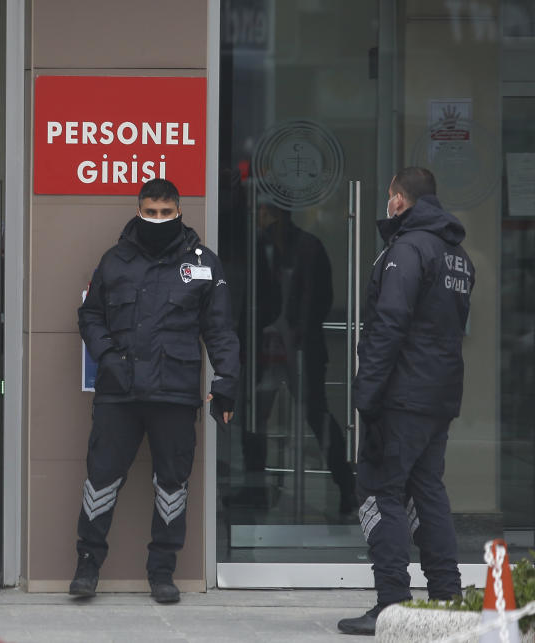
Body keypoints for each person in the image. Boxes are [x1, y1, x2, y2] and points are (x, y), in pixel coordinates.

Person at [70, 178, 240, 604]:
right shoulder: (114, 260)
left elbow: (220, 329)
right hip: (119, 393)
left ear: (179, 212)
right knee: (101, 479)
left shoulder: (204, 263)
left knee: (172, 484)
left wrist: (226, 383)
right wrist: (107, 355)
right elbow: (90, 316)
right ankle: (87, 568)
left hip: (175, 392)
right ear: (139, 209)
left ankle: (162, 572)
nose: (158, 219)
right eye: (151, 211)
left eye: (166, 212)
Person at [338, 167, 473, 635]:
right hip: (438, 395)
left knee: (379, 492)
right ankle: (448, 600)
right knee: (428, 491)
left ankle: (392, 604)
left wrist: (366, 395)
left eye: (391, 197)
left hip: (401, 395)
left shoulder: (407, 250)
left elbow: (389, 326)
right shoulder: (456, 254)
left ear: (399, 198)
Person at [239, 202, 355, 515]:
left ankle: (346, 486)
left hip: (297, 346)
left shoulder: (302, 247)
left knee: (313, 416)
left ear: (275, 214)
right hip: (270, 345)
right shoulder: (264, 246)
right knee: (255, 418)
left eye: (262, 212)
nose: (257, 217)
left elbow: (319, 297)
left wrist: (294, 329)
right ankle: (256, 490)